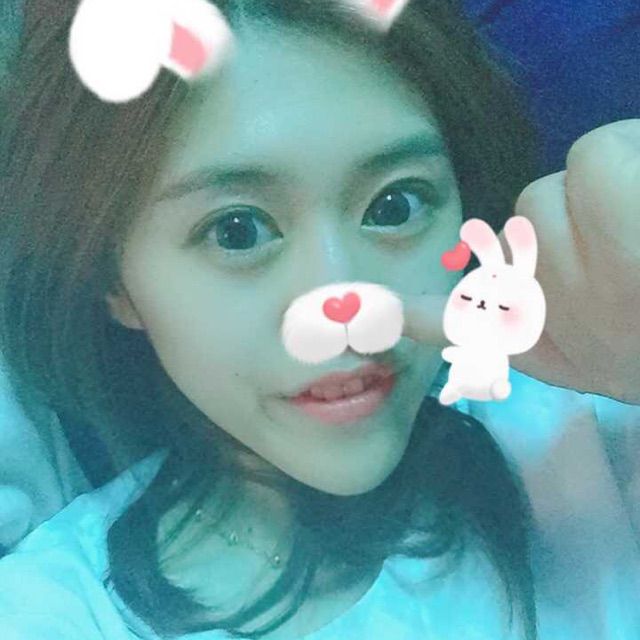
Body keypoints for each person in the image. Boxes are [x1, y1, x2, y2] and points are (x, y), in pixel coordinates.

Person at [0, 1, 637, 640]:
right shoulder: (52, 610)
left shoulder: (589, 429)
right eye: (237, 231)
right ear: (115, 282)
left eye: (395, 206)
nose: (347, 312)